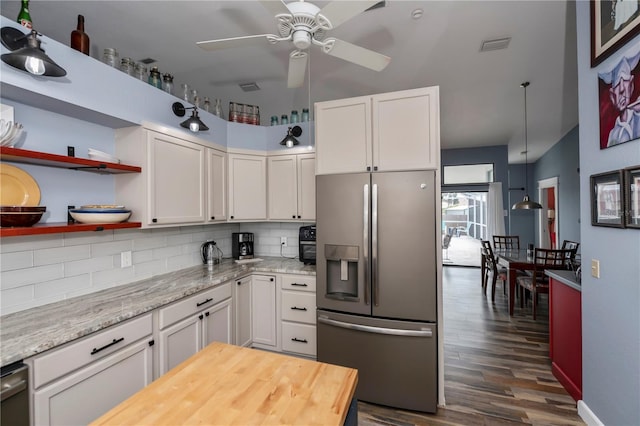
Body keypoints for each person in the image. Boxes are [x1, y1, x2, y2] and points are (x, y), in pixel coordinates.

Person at [599, 49, 640, 147]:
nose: (622, 89)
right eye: (617, 84)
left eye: (625, 81)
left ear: (631, 87)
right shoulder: (614, 134)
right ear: (612, 96)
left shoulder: (637, 115)